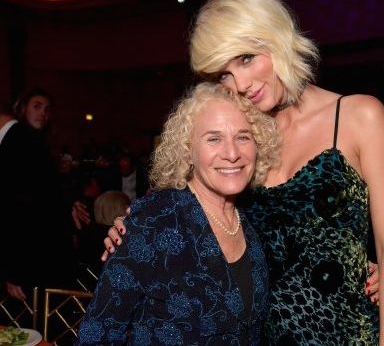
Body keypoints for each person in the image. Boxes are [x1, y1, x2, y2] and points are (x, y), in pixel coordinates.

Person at [102, 0, 384, 346]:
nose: (241, 84)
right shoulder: (243, 139)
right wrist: (133, 229)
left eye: (246, 57)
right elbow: (187, 208)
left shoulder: (360, 116)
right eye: (224, 74)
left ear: (276, 36)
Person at [74, 82, 280, 346]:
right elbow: (97, 335)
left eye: (243, 137)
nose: (232, 153)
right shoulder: (154, 219)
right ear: (188, 150)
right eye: (214, 138)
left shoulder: (252, 218)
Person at [0, 88, 76, 313]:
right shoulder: (28, 141)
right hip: (38, 260)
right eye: (37, 106)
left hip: (31, 263)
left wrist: (12, 270)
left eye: (46, 108)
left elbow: (22, 211)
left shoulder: (21, 143)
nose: (43, 113)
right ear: (22, 109)